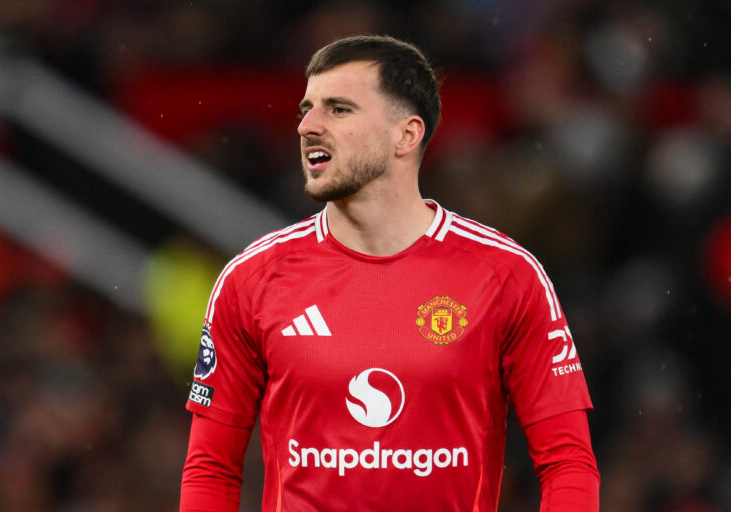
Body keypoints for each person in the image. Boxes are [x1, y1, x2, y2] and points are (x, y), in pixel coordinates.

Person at [180, 35, 599, 511]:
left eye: (338, 109)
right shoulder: (252, 279)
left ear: (406, 134)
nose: (307, 126)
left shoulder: (505, 275)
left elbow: (567, 462)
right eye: (307, 108)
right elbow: (210, 468)